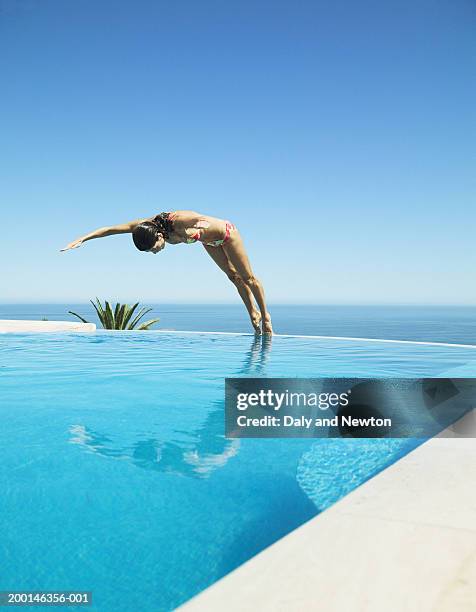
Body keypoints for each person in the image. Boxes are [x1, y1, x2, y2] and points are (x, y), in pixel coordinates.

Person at [61, 210, 273, 334]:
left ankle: (265, 316)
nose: (155, 252)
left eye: (154, 248)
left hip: (226, 234)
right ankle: (252, 313)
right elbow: (110, 230)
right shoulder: (144, 226)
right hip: (210, 243)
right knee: (232, 277)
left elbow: (204, 221)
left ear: (160, 235)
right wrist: (82, 239)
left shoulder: (178, 221)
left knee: (248, 277)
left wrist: (198, 229)